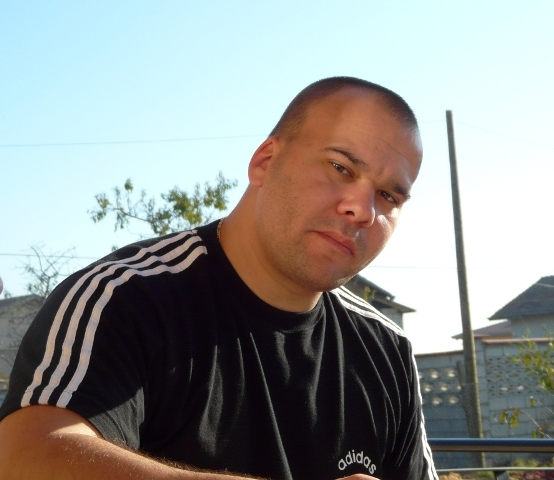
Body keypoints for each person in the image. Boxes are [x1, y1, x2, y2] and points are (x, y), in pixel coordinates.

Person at [0, 77, 437, 480]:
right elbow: (26, 456)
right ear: (265, 161)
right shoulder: (121, 298)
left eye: (388, 195)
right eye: (341, 167)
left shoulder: (386, 349)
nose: (363, 210)